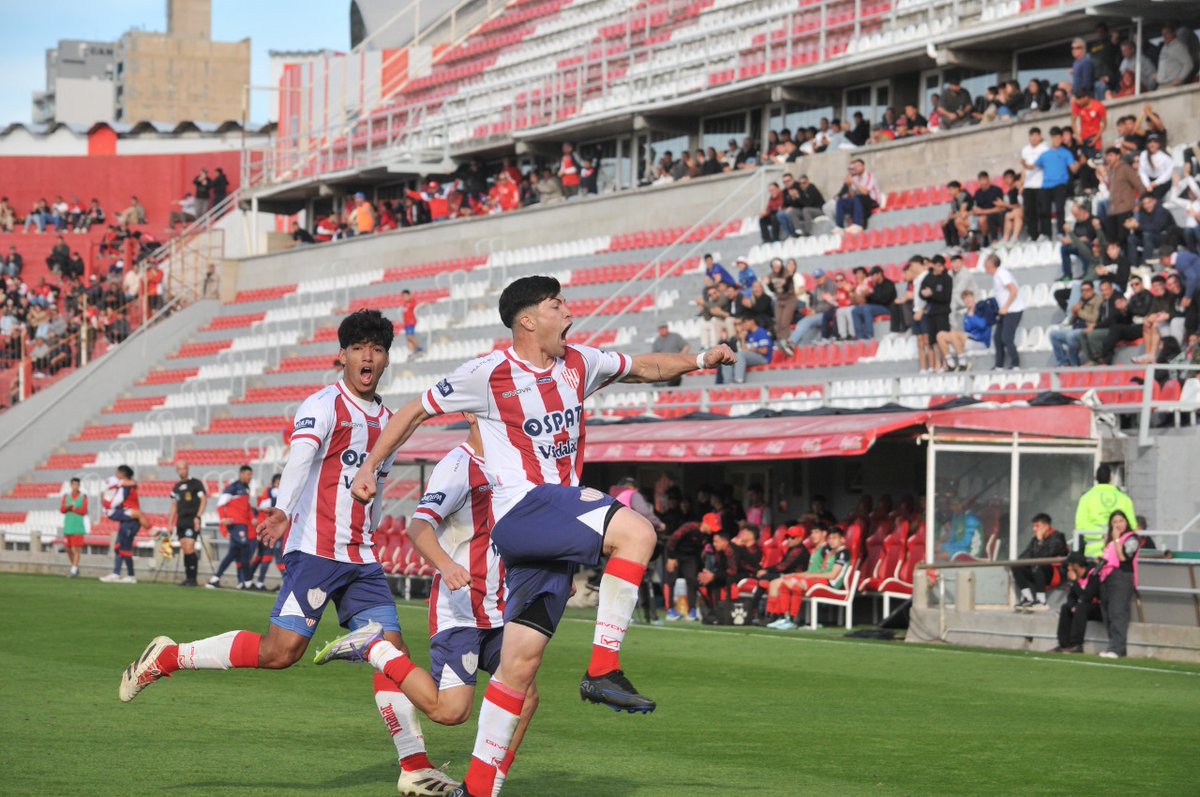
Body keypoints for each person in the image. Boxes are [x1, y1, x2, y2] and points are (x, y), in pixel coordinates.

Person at [320, 276, 735, 797]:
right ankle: (603, 668)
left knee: (519, 670)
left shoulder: (579, 364)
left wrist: (700, 360)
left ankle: (477, 788)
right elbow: (414, 411)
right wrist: (371, 467)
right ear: (528, 319)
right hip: (525, 507)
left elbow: (646, 367)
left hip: (548, 533)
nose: (569, 312)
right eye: (557, 305)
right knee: (637, 532)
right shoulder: (488, 374)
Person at [118, 310, 459, 795]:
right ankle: (171, 656)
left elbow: (375, 486)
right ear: (341, 355)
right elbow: (299, 459)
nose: (368, 355)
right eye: (359, 347)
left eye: (377, 348)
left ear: (386, 359)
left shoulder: (388, 420)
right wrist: (281, 509)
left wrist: (371, 526)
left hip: (361, 558)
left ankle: (414, 768)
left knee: (392, 652)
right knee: (281, 654)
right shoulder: (323, 404)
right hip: (316, 553)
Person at [400, 414, 539, 786]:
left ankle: (488, 785)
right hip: (459, 609)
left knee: (524, 696)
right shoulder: (457, 464)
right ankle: (377, 652)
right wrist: (445, 565)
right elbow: (418, 526)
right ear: (468, 413)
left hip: (500, 609)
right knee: (451, 713)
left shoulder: (512, 464)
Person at [768, 526, 848, 630]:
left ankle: (792, 620)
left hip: (830, 585)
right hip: (821, 580)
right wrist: (798, 575)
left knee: (796, 585)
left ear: (842, 539)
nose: (831, 541)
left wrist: (811, 575)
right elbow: (820, 571)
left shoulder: (842, 553)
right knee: (785, 585)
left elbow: (832, 575)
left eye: (835, 538)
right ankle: (786, 618)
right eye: (830, 538)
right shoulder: (831, 553)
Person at [1098, 510, 1139, 659]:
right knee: (1107, 613)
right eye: (1114, 522)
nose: (1117, 525)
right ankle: (1113, 645)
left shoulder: (1131, 538)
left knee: (1117, 612)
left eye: (1120, 521)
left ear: (1126, 522)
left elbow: (1123, 557)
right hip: (1107, 577)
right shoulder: (1109, 539)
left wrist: (1116, 540)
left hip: (1122, 576)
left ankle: (1117, 648)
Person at [207, 465, 256, 590]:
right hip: (236, 524)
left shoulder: (246, 488)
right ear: (242, 474)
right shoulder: (233, 487)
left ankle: (215, 578)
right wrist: (223, 519)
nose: (250, 477)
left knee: (233, 553)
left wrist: (252, 517)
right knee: (244, 550)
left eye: (251, 475)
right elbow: (220, 504)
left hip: (242, 524)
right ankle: (248, 582)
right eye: (248, 475)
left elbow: (246, 506)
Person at [1074, 464, 1136, 559]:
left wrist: (1101, 534)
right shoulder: (1124, 499)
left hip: (1093, 553)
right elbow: (1132, 525)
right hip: (1118, 552)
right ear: (1110, 478)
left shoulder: (1086, 498)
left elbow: (1081, 525)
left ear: (1096, 478)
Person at [665, 512, 717, 622]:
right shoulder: (690, 527)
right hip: (676, 554)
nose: (712, 530)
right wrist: (671, 557)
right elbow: (673, 540)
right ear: (705, 523)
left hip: (691, 557)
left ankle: (692, 610)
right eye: (711, 527)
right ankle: (670, 610)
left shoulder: (708, 536)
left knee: (692, 580)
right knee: (671, 580)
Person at [1011, 513, 1068, 611]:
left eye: (1037, 526)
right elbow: (1024, 557)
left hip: (1055, 574)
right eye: (1033, 526)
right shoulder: (1035, 540)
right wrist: (1038, 542)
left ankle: (1041, 600)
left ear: (1046, 526)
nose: (1034, 529)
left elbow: (1045, 557)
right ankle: (1027, 598)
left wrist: (1040, 542)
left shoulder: (1058, 537)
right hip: (1037, 572)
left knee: (1038, 564)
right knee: (1016, 565)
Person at [99, 465, 145, 584]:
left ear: (122, 474)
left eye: (117, 473)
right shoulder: (126, 485)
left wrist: (107, 506)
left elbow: (116, 501)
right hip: (126, 520)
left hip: (131, 521)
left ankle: (131, 575)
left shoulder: (126, 487)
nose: (116, 474)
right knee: (119, 547)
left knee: (125, 548)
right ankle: (116, 573)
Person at [1052, 552, 1102, 654]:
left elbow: (1087, 596)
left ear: (1076, 565)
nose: (1068, 568)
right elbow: (1071, 597)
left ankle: (1076, 645)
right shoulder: (1077, 577)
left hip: (1099, 608)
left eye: (1069, 565)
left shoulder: (1093, 574)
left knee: (1081, 607)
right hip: (1084, 607)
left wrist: (1075, 582)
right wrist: (1072, 606)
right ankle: (1063, 644)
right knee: (1066, 607)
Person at [167, 461, 207, 587]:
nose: (181, 471)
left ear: (187, 469)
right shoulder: (176, 487)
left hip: (192, 520)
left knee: (189, 547)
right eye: (178, 469)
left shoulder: (196, 483)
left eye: (183, 468)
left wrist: (198, 516)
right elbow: (174, 505)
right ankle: (188, 577)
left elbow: (204, 500)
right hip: (181, 521)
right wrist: (170, 523)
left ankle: (193, 578)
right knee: (185, 548)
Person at [984, 254, 1024, 370]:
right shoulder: (997, 275)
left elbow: (1013, 290)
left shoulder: (1002, 274)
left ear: (991, 264)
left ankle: (1015, 363)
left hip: (1013, 310)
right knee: (997, 338)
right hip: (1004, 311)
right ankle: (999, 365)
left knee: (1007, 337)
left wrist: (1006, 306)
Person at [937, 290, 992, 372]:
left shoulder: (982, 309)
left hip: (981, 341)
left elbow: (983, 325)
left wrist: (972, 316)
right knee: (940, 335)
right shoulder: (966, 314)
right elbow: (968, 330)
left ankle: (963, 362)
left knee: (953, 334)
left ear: (974, 298)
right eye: (965, 299)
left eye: (969, 298)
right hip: (971, 340)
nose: (967, 301)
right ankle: (950, 363)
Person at [248, 474, 284, 591]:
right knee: (270, 556)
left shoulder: (267, 494)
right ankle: (258, 582)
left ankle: (248, 579)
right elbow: (262, 505)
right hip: (270, 529)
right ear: (274, 484)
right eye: (279, 483)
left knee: (262, 556)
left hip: (270, 528)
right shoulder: (272, 492)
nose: (281, 486)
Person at [721, 316, 772, 384]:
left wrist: (754, 349)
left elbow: (765, 351)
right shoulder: (748, 334)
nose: (744, 325)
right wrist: (743, 339)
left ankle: (739, 380)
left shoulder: (761, 332)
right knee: (727, 357)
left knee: (739, 355)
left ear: (752, 321)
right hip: (751, 358)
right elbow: (744, 351)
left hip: (763, 358)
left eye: (745, 322)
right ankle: (728, 384)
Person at [834, 159, 880, 231]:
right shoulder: (855, 178)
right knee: (841, 202)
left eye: (858, 166)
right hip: (858, 201)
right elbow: (852, 195)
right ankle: (839, 226)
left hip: (871, 202)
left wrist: (853, 182)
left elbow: (865, 192)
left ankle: (857, 224)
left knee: (858, 197)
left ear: (863, 166)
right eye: (855, 167)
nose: (856, 168)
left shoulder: (869, 176)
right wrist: (849, 184)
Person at [60, 477, 88, 578]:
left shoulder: (83, 497)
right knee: (68, 549)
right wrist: (68, 507)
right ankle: (75, 567)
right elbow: (62, 510)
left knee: (76, 549)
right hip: (68, 526)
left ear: (79, 486)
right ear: (71, 485)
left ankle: (73, 570)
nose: (75, 487)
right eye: (73, 485)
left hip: (77, 526)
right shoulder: (66, 496)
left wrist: (75, 509)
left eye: (77, 485)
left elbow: (84, 511)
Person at [401, 289, 423, 356]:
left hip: (411, 322)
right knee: (408, 339)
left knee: (410, 337)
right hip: (407, 324)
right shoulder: (405, 304)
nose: (404, 298)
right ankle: (411, 352)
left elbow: (419, 306)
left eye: (405, 296)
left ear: (409, 295)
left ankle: (419, 348)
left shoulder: (413, 302)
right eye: (403, 296)